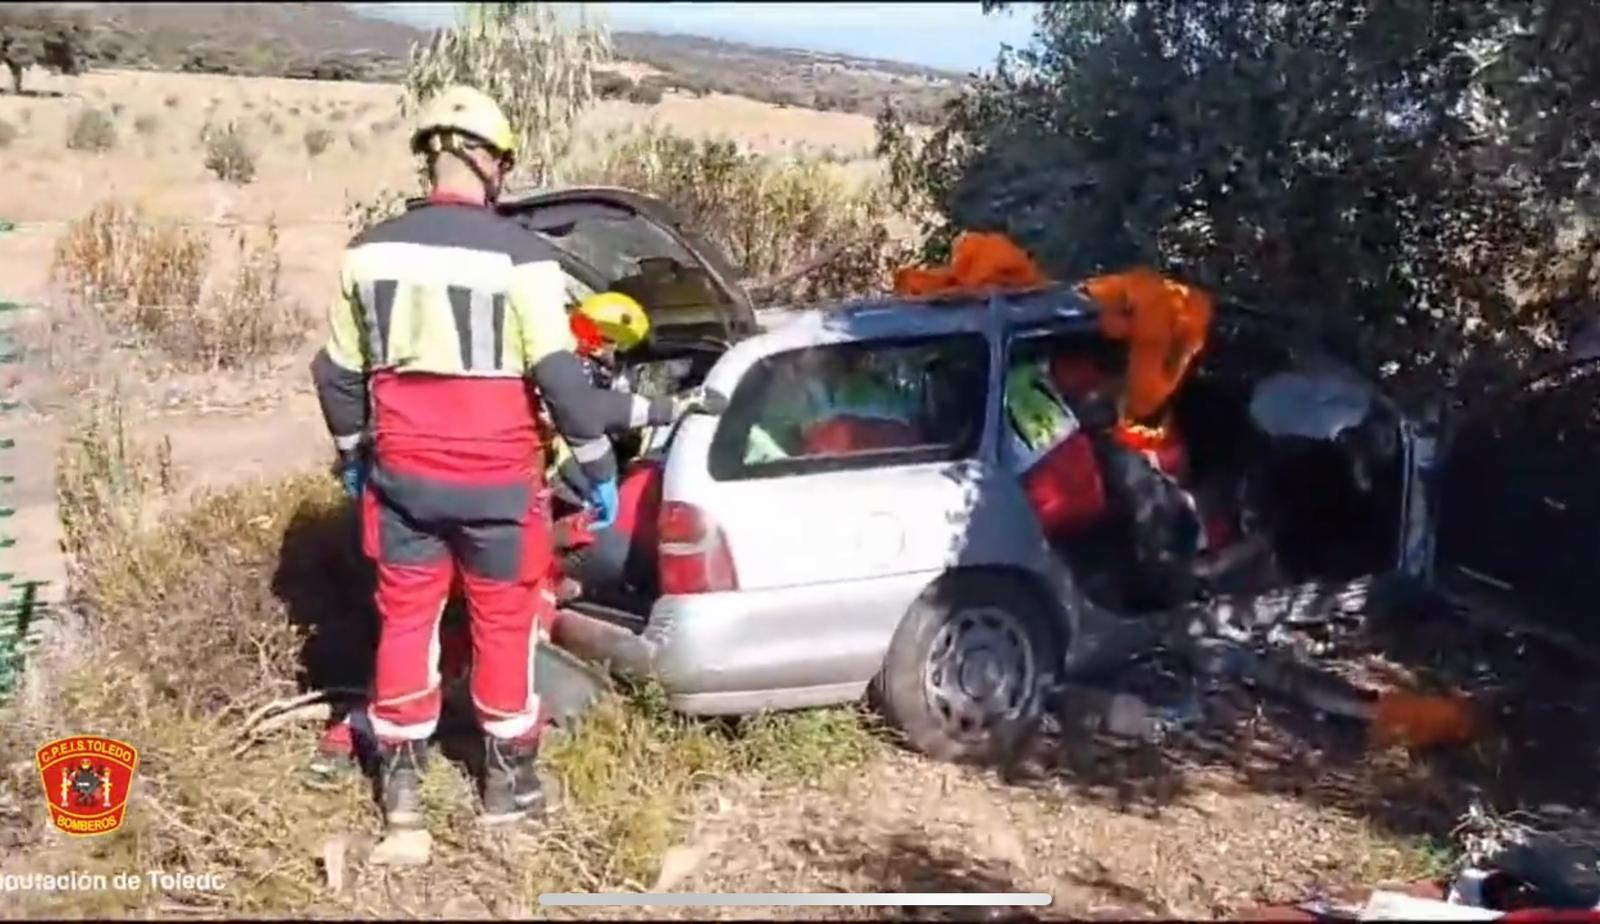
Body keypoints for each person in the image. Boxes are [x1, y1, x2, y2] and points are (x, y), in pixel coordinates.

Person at [310, 85, 698, 834]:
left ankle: (401, 795)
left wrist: (356, 457)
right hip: (495, 487)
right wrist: (596, 469)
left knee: (406, 624)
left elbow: (335, 373)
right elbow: (558, 380)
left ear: (431, 156)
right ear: (486, 161)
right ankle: (508, 789)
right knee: (504, 625)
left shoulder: (370, 252)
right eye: (504, 163)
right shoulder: (523, 257)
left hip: (402, 486)